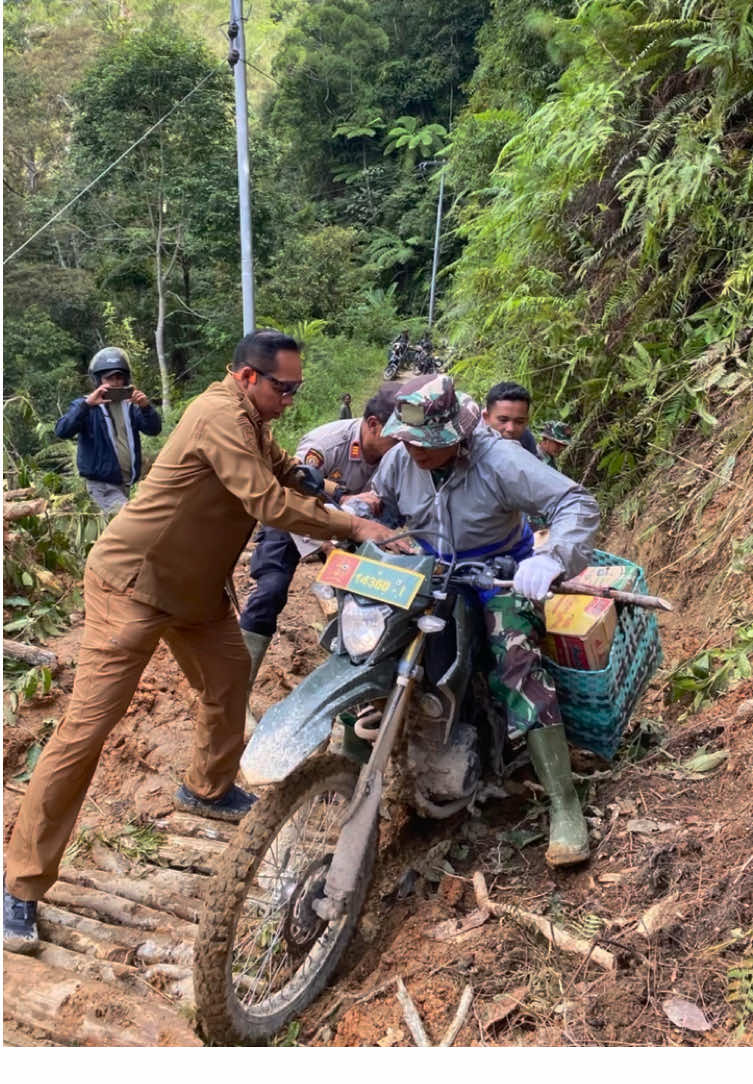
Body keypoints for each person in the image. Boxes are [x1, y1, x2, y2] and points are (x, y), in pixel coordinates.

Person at [3, 329, 399, 955]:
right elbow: (265, 501)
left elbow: (282, 470)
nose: (292, 399)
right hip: (133, 584)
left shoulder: (251, 418)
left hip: (195, 593)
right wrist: (351, 522)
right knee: (87, 729)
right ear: (246, 376)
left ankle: (208, 787)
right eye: (284, 387)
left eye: (297, 388)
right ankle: (20, 885)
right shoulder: (217, 412)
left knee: (229, 677)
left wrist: (326, 489)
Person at [368, 374, 600, 870]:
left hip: (498, 572)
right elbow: (383, 502)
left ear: (458, 433)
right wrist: (364, 511)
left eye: (427, 442)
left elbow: (575, 503)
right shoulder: (399, 456)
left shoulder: (500, 459)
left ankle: (564, 804)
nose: (414, 451)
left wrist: (552, 558)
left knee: (517, 663)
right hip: (429, 571)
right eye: (406, 439)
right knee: (372, 643)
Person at [239, 384, 399, 687]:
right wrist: (326, 545)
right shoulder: (327, 443)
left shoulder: (400, 453)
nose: (402, 445)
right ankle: (238, 691)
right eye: (396, 437)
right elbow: (290, 493)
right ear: (374, 425)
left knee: (372, 600)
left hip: (351, 524)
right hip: (294, 516)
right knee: (270, 591)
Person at [55, 347, 162, 516]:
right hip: (102, 485)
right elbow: (62, 431)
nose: (114, 382)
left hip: (125, 483)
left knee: (115, 532)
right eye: (109, 378)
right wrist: (87, 405)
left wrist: (145, 407)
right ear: (98, 380)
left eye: (119, 377)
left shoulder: (130, 406)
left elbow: (154, 429)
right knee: (130, 522)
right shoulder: (85, 405)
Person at [482, 381, 539, 458]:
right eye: (503, 420)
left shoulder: (527, 441)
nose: (511, 429)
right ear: (486, 417)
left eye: (519, 422)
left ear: (526, 421)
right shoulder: (470, 440)